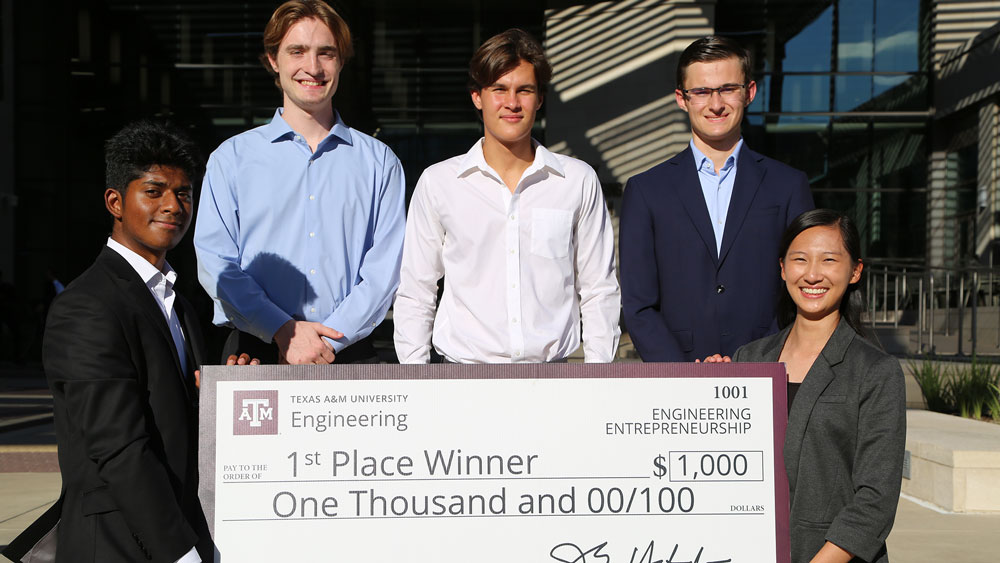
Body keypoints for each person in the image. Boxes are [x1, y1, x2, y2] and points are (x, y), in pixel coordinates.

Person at [1, 121, 254, 563]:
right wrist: (181, 553)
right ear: (115, 202)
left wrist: (222, 399)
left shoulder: (177, 302)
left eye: (184, 193)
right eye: (154, 192)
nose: (173, 206)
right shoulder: (88, 306)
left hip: (178, 528)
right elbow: (119, 448)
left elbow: (172, 420)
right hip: (122, 544)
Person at [194, 0, 405, 365]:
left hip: (347, 352)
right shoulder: (231, 160)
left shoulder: (380, 163)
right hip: (254, 351)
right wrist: (282, 329)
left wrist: (326, 341)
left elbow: (385, 270)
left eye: (326, 53)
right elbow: (216, 263)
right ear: (274, 60)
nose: (313, 67)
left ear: (341, 61)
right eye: (297, 51)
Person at [393, 28, 620, 363]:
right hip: (462, 380)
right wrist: (416, 376)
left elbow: (599, 287)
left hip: (552, 378)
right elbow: (416, 289)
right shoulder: (439, 183)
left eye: (524, 90)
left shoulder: (576, 180)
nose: (512, 103)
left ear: (540, 99)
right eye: (499, 89)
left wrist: (596, 373)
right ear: (477, 96)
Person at [705, 209, 905, 563]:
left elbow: (875, 500)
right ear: (783, 268)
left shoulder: (876, 372)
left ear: (855, 270)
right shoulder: (748, 359)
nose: (812, 274)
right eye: (800, 260)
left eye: (829, 260)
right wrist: (703, 392)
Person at [620, 35, 814, 362]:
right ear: (682, 99)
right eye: (701, 92)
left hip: (766, 371)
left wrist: (754, 363)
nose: (716, 104)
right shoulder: (645, 191)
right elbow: (639, 304)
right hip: (678, 376)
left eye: (727, 89)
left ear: (749, 92)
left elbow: (799, 289)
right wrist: (682, 372)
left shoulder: (789, 186)